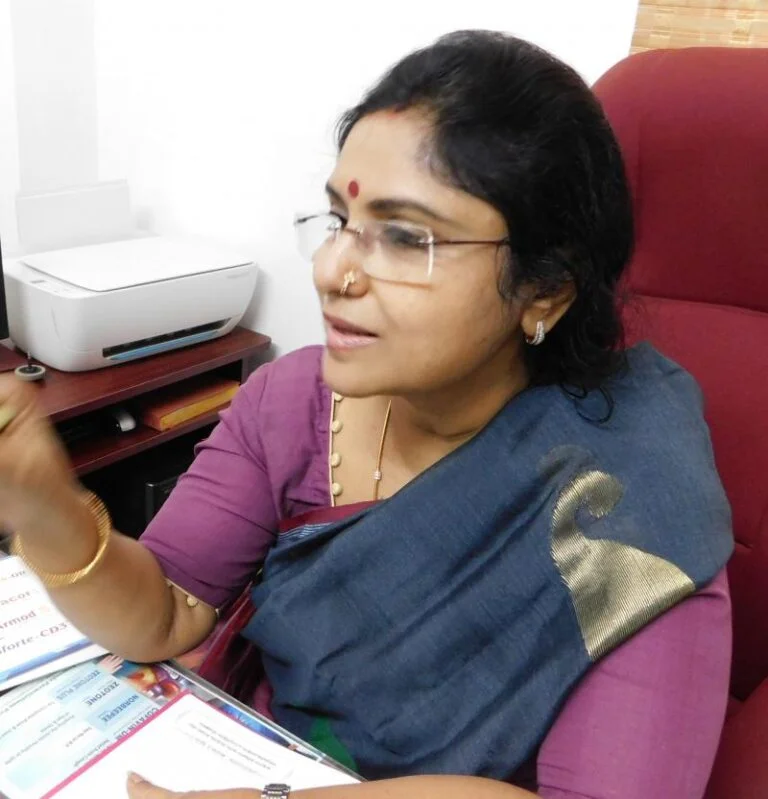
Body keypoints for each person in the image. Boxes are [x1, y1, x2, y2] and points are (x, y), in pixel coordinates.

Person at [0, 30, 733, 799]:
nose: (330, 270)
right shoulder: (292, 403)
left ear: (544, 288)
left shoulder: (631, 513)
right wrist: (50, 512)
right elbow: (168, 613)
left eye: (406, 237)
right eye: (338, 221)